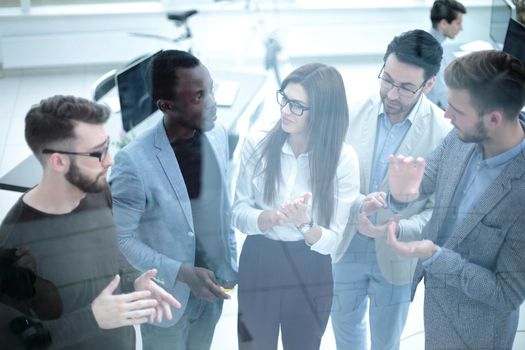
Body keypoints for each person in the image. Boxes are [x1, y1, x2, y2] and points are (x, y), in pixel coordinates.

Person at [0, 95, 181, 350]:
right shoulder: (13, 243)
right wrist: (93, 319)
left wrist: (135, 280)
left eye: (107, 147)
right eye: (99, 153)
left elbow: (110, 251)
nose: (110, 160)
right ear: (59, 161)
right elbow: (17, 342)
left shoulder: (96, 188)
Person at [386, 50, 525, 349]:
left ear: (494, 119)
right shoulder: (465, 134)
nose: (446, 116)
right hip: (436, 310)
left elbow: (507, 293)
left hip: (477, 333)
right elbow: (428, 176)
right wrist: (398, 194)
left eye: (456, 111)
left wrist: (435, 256)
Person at [330, 29, 451, 350]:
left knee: (386, 341)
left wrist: (395, 227)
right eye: (387, 79)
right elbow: (330, 178)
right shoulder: (352, 111)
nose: (393, 94)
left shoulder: (444, 133)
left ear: (429, 85)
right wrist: (358, 205)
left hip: (398, 256)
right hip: (347, 244)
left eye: (406, 87)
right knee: (345, 330)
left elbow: (439, 211)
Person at [109, 49, 238, 350]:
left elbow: (223, 208)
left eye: (211, 90)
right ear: (166, 105)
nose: (213, 103)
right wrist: (180, 272)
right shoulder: (133, 163)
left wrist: (230, 260)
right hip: (166, 300)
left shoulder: (217, 133)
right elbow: (122, 239)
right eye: (198, 97)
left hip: (213, 289)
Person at [233, 63, 360, 350]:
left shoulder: (343, 159)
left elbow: (334, 242)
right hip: (260, 258)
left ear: (323, 113)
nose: (286, 111)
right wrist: (268, 218)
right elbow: (238, 212)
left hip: (310, 267)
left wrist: (304, 223)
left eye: (297, 106)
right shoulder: (259, 141)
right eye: (285, 99)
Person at [427, 0, 467, 109]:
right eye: (458, 23)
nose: (461, 28)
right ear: (444, 23)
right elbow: (443, 96)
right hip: (435, 107)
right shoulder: (434, 53)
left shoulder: (430, 41)